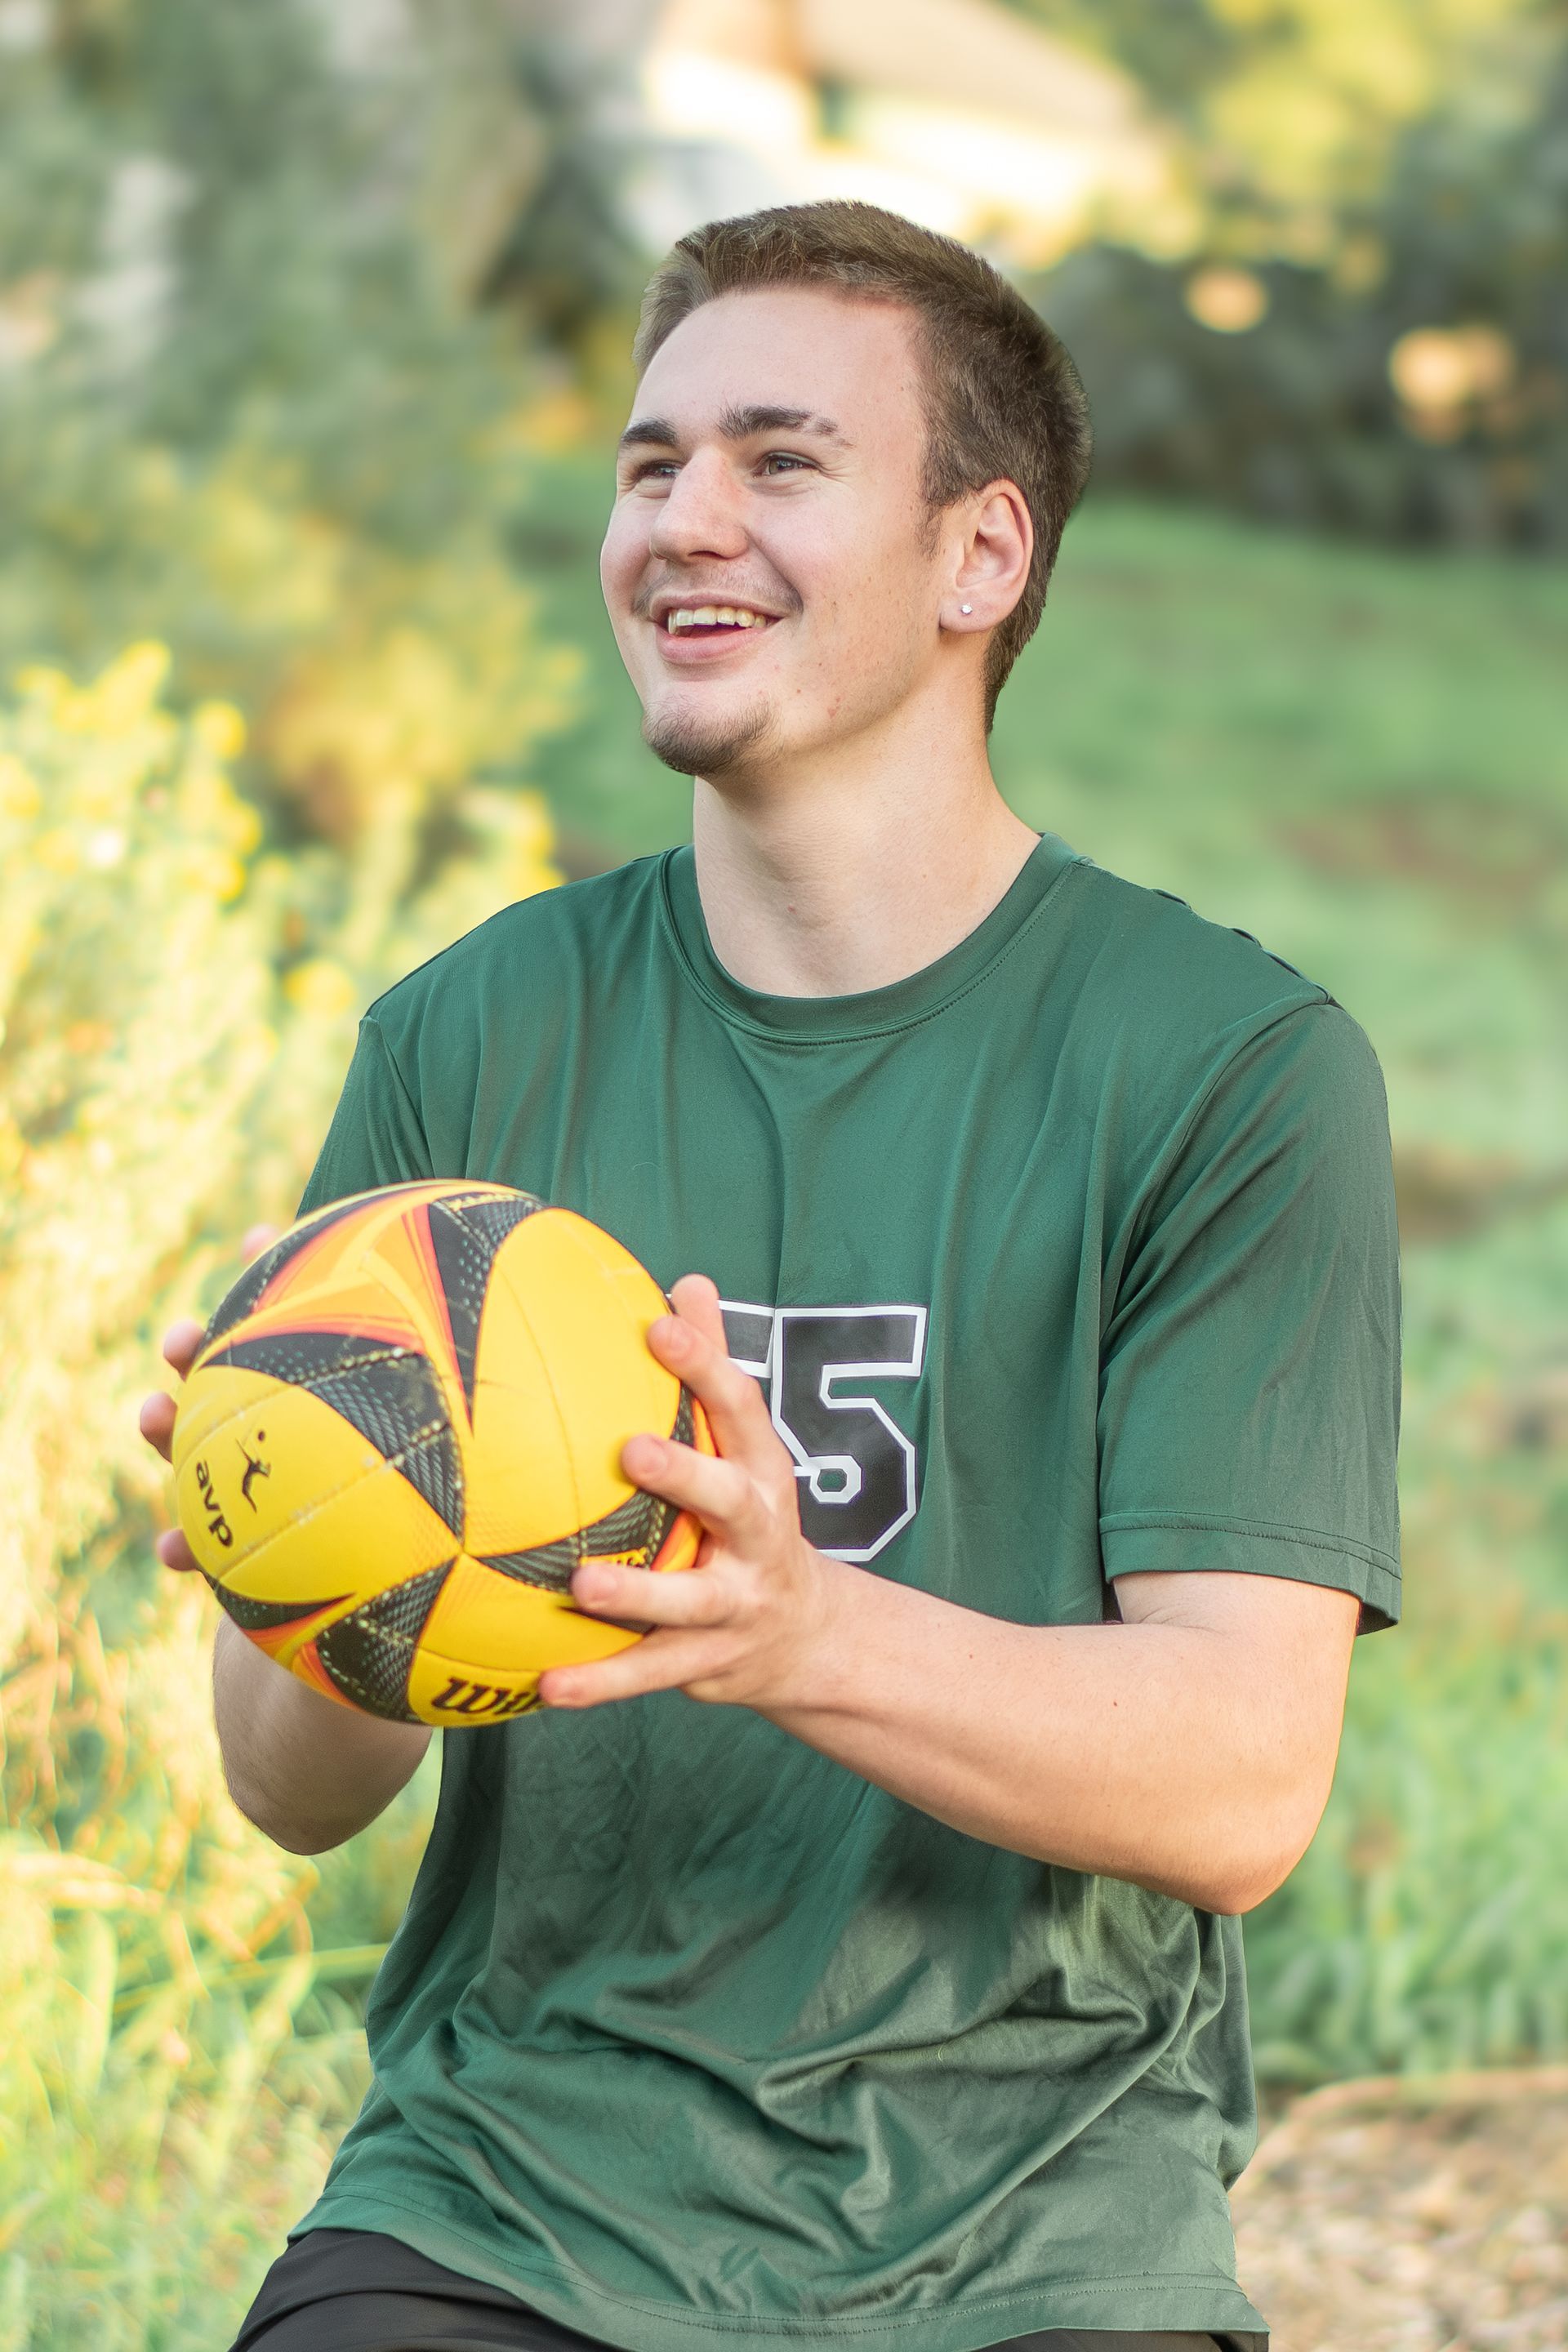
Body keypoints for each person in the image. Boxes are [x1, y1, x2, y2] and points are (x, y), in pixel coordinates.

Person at [140, 202, 1400, 2352]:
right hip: (514, 2185)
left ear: (981, 554)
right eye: (650, 465)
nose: (680, 522)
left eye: (780, 460)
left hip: (1036, 2224)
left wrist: (792, 1627)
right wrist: (291, 1534)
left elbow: (1239, 1784)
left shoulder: (1227, 1069)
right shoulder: (472, 1038)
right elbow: (288, 1788)